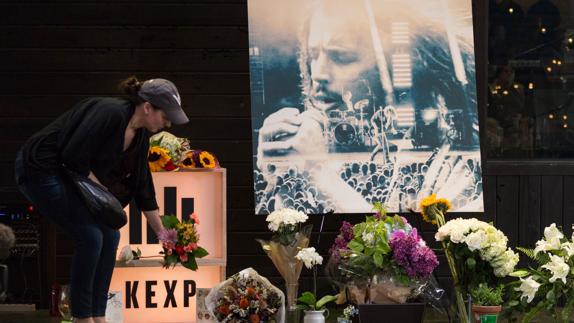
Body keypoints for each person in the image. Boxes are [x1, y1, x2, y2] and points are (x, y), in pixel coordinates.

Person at [14, 76, 189, 323]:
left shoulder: (140, 137)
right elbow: (73, 155)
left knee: (111, 235)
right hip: (40, 168)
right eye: (166, 115)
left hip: (71, 174)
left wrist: (164, 236)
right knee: (90, 236)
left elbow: (143, 186)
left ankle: (99, 315)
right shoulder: (110, 112)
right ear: (148, 107)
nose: (169, 123)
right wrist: (105, 199)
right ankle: (82, 317)